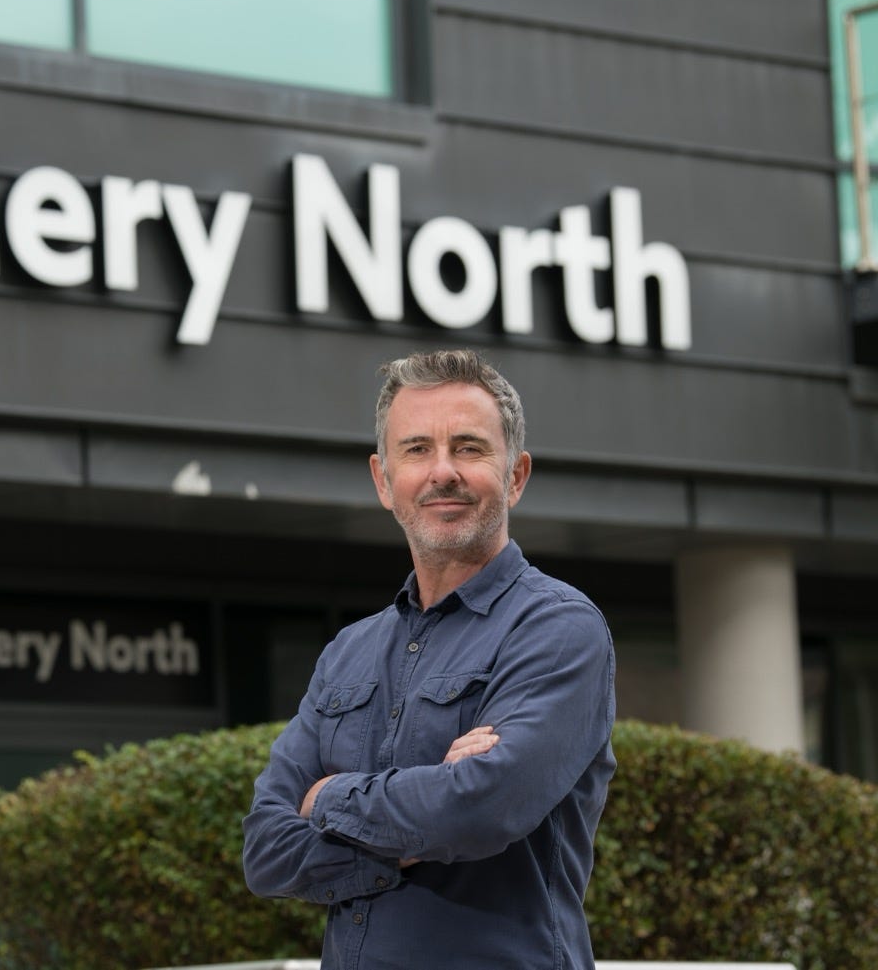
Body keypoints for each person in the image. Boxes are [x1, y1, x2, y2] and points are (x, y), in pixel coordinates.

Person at [242, 349, 615, 970]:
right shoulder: (347, 653)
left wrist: (326, 798)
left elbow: (482, 808)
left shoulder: (557, 628)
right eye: (417, 449)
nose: (443, 471)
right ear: (384, 481)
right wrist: (424, 819)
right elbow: (264, 850)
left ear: (516, 475)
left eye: (469, 448)